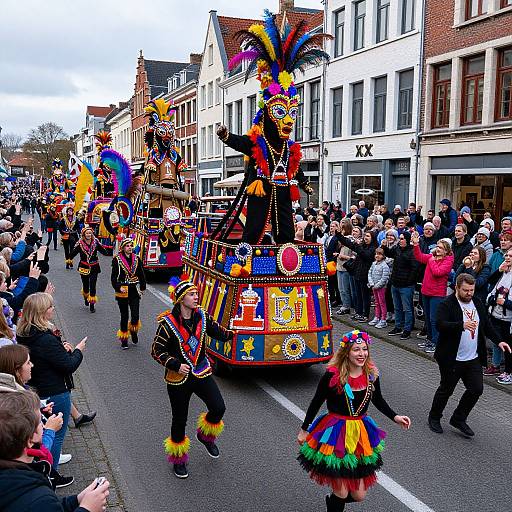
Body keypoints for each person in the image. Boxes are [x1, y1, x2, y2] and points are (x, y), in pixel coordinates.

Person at [215, 13, 329, 244]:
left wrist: (305, 183)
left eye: (291, 114)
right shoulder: (258, 141)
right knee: (255, 223)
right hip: (261, 186)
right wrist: (226, 136)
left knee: (286, 224)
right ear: (268, 114)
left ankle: (285, 249)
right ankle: (248, 252)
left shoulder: (289, 147)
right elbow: (241, 143)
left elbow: (294, 168)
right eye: (280, 113)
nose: (288, 121)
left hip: (283, 188)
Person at [297, 330, 411, 511]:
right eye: (356, 350)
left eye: (364, 349)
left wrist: (395, 417)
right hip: (335, 432)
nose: (361, 354)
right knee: (341, 492)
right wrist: (304, 429)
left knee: (358, 495)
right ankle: (336, 504)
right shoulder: (332, 375)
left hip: (359, 433)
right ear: (347, 353)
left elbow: (378, 400)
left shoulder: (371, 374)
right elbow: (316, 401)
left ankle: (334, 502)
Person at [151, 275, 235, 479]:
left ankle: (205, 436)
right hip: (178, 378)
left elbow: (220, 333)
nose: (197, 296)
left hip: (201, 371)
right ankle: (179, 460)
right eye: (192, 294)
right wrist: (175, 364)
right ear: (181, 299)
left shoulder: (203, 317)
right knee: (180, 419)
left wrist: (237, 331)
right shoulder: (167, 324)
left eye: (197, 293)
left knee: (218, 407)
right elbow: (156, 350)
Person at [428, 274, 511, 436]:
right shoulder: (447, 304)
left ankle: (458, 418)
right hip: (452, 358)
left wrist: (499, 341)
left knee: (476, 389)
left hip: (472, 358)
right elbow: (439, 324)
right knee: (446, 389)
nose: (469, 293)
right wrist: (461, 325)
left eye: (471, 290)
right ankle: (434, 417)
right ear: (457, 288)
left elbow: (486, 325)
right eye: (465, 290)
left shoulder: (477, 303)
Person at [0, 390, 110, 512]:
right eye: (40, 422)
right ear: (31, 438)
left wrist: (77, 500)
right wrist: (87, 509)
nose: (43, 424)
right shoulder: (37, 495)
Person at [16, 293, 86, 481]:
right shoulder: (45, 339)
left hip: (40, 387)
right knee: (56, 435)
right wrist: (78, 350)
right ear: (41, 312)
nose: (53, 309)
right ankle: (52, 475)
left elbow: (48, 356)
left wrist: (60, 347)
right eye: (50, 307)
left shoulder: (25, 333)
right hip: (55, 390)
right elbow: (68, 364)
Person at [412, 234, 453, 353]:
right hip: (426, 291)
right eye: (437, 246)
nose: (437, 249)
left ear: (446, 250)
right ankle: (429, 339)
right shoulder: (433, 258)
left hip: (437, 294)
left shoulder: (447, 260)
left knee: (434, 319)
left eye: (440, 247)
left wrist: (432, 260)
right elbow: (419, 257)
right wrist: (416, 244)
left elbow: (438, 272)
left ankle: (436, 342)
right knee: (428, 319)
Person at [382, 232, 419, 340]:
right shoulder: (397, 248)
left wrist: (409, 281)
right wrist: (384, 246)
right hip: (395, 283)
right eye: (400, 238)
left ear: (407, 240)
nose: (400, 240)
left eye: (402, 239)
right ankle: (398, 326)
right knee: (397, 307)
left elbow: (415, 268)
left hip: (406, 285)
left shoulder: (412, 252)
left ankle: (407, 329)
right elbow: (389, 253)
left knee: (407, 308)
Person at [111, 238, 146, 349]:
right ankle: (124, 340)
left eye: (131, 246)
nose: (130, 248)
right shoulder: (117, 260)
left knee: (135, 315)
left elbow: (141, 273)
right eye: (127, 246)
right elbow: (113, 277)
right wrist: (118, 287)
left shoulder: (137, 259)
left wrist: (142, 287)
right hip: (123, 290)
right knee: (124, 316)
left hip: (134, 290)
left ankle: (134, 330)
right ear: (122, 248)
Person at [335, 230, 378, 322]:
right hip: (357, 273)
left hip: (366, 275)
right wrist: (339, 235)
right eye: (365, 236)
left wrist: (358, 246)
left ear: (372, 238)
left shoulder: (373, 248)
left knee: (365, 296)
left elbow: (366, 255)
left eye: (368, 236)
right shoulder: (362, 246)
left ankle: (365, 315)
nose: (365, 238)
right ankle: (358, 312)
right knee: (358, 295)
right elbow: (349, 244)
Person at [69, 227, 110, 313]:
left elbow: (103, 251)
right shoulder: (80, 244)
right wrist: (70, 257)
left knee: (93, 285)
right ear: (83, 235)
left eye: (90, 233)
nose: (89, 235)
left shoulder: (96, 243)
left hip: (95, 267)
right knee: (86, 286)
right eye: (87, 233)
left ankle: (92, 304)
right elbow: (73, 253)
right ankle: (86, 297)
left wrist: (109, 251)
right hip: (84, 267)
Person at [486, 249, 512, 385]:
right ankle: (497, 366)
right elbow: (489, 282)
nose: (507, 257)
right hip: (496, 314)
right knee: (498, 342)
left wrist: (506, 303)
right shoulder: (504, 271)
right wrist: (499, 270)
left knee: (509, 346)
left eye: (510, 256)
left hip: (508, 318)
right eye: (506, 255)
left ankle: (509, 372)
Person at [367, 248, 390, 329]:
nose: (377, 256)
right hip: (374, 287)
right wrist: (372, 283)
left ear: (383, 256)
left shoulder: (385, 266)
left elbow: (384, 278)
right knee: (376, 302)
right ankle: (377, 317)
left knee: (382, 303)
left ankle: (383, 319)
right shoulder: (374, 264)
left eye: (379, 254)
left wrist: (377, 285)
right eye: (376, 254)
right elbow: (369, 273)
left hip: (381, 288)